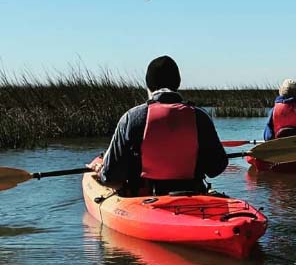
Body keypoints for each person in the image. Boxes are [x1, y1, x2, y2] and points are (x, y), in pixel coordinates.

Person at [94, 56, 228, 195]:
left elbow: (111, 178)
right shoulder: (200, 116)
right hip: (193, 195)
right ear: (177, 84)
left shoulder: (132, 117)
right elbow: (216, 168)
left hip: (145, 200)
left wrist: (101, 172)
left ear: (149, 85)